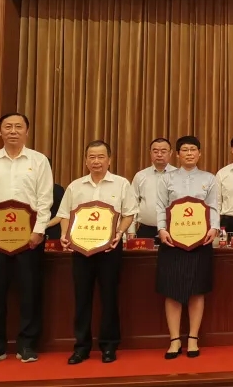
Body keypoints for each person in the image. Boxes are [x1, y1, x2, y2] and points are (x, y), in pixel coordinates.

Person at [0, 112, 53, 366]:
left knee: (30, 293)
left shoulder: (39, 161)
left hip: (29, 240)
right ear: (0, 132)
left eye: (18, 126)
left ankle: (27, 345)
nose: (13, 131)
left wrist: (39, 231)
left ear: (27, 131)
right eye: (8, 127)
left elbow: (45, 199)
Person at [57, 140, 136, 364]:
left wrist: (119, 233)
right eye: (92, 157)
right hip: (80, 250)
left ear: (109, 160)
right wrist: (64, 234)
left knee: (109, 297)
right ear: (85, 161)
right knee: (82, 298)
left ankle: (109, 346)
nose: (96, 161)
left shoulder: (121, 184)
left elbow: (129, 213)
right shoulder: (75, 186)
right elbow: (64, 215)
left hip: (110, 249)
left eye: (101, 156)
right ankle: (81, 347)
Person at [155, 136, 220, 359]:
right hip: (172, 241)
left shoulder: (209, 179)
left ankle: (193, 338)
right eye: (185, 150)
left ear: (199, 154)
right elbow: (160, 206)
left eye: (193, 149)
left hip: (201, 241)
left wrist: (214, 228)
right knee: (171, 290)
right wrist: (162, 229)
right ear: (177, 154)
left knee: (197, 289)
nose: (189, 153)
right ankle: (174, 340)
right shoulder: (167, 179)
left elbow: (214, 206)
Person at [131, 138, 175, 239]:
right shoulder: (140, 176)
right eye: (155, 151)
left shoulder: (179, 176)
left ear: (171, 153)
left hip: (173, 229)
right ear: (150, 153)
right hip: (146, 230)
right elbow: (132, 204)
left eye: (163, 151)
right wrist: (131, 230)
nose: (159, 154)